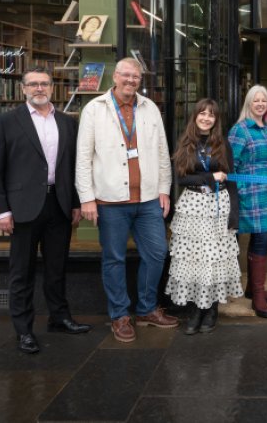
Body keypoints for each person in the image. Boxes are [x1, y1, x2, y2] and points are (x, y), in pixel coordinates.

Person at [0, 66, 91, 354]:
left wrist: (75, 203)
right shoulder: (6, 122)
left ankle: (59, 318)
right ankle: (24, 331)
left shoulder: (68, 123)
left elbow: (72, 167)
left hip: (58, 206)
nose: (39, 89)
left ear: (52, 87)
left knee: (57, 268)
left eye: (44, 83)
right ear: (23, 89)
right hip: (22, 209)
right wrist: (1, 211)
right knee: (22, 272)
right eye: (32, 84)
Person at [76, 57, 178, 343]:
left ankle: (146, 309)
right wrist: (86, 198)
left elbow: (161, 152)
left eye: (136, 77)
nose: (131, 80)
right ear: (115, 76)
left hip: (147, 200)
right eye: (126, 75)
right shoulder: (94, 110)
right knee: (114, 259)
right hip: (109, 201)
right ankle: (120, 315)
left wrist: (164, 189)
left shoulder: (150, 108)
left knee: (157, 253)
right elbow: (83, 158)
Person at [166, 99, 243, 335]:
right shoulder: (185, 142)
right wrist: (210, 177)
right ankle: (196, 309)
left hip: (217, 206)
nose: (207, 118)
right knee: (194, 259)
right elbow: (182, 179)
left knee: (213, 259)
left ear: (216, 120)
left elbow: (230, 180)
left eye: (211, 115)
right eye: (203, 113)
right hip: (192, 208)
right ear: (195, 116)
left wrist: (234, 214)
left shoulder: (222, 144)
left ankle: (211, 309)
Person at [228, 85, 267, 319]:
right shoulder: (239, 130)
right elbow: (231, 166)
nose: (260, 104)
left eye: (264, 101)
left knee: (263, 241)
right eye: (255, 101)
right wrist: (240, 192)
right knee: (257, 241)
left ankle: (253, 287)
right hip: (248, 195)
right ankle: (258, 296)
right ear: (248, 104)